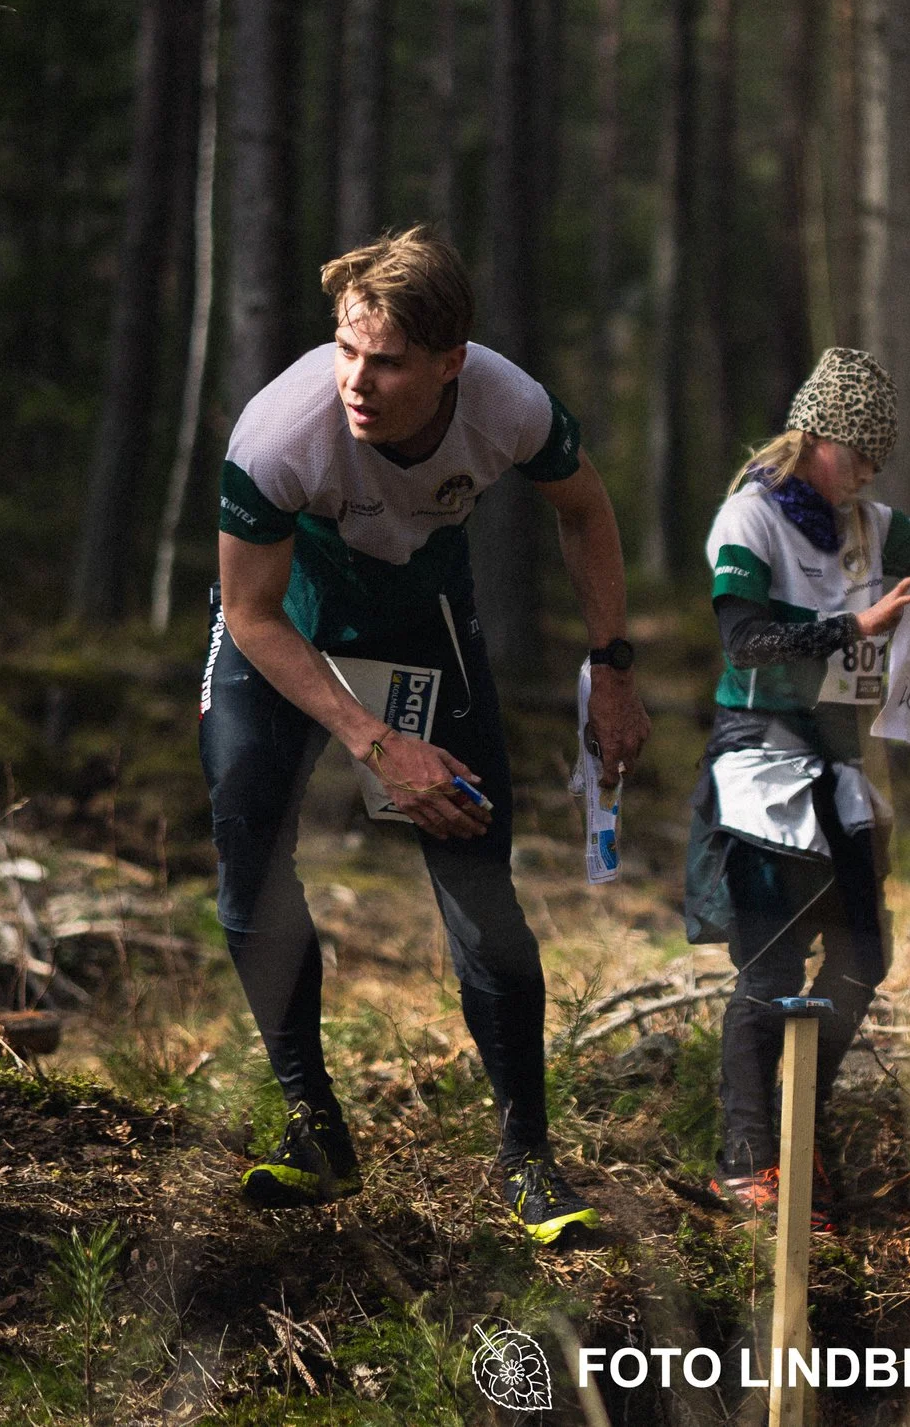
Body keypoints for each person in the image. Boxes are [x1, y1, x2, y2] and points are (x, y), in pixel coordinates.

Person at [203, 226, 650, 1241]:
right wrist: (375, 743)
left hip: (423, 619)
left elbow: (586, 510)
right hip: (287, 625)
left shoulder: (509, 403)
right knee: (247, 847)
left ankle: (527, 1157)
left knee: (478, 879)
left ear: (451, 362)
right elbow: (252, 616)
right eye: (346, 350)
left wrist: (613, 669)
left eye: (388, 361)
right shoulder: (277, 432)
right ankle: (315, 1125)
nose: (357, 380)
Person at [684, 348, 910, 1219]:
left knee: (864, 954)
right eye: (857, 454)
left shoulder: (866, 520)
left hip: (843, 768)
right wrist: (851, 625)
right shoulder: (749, 517)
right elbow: (744, 639)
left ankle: (800, 1127)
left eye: (877, 460)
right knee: (771, 965)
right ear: (816, 436)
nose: (867, 473)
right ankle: (748, 1158)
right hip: (761, 761)